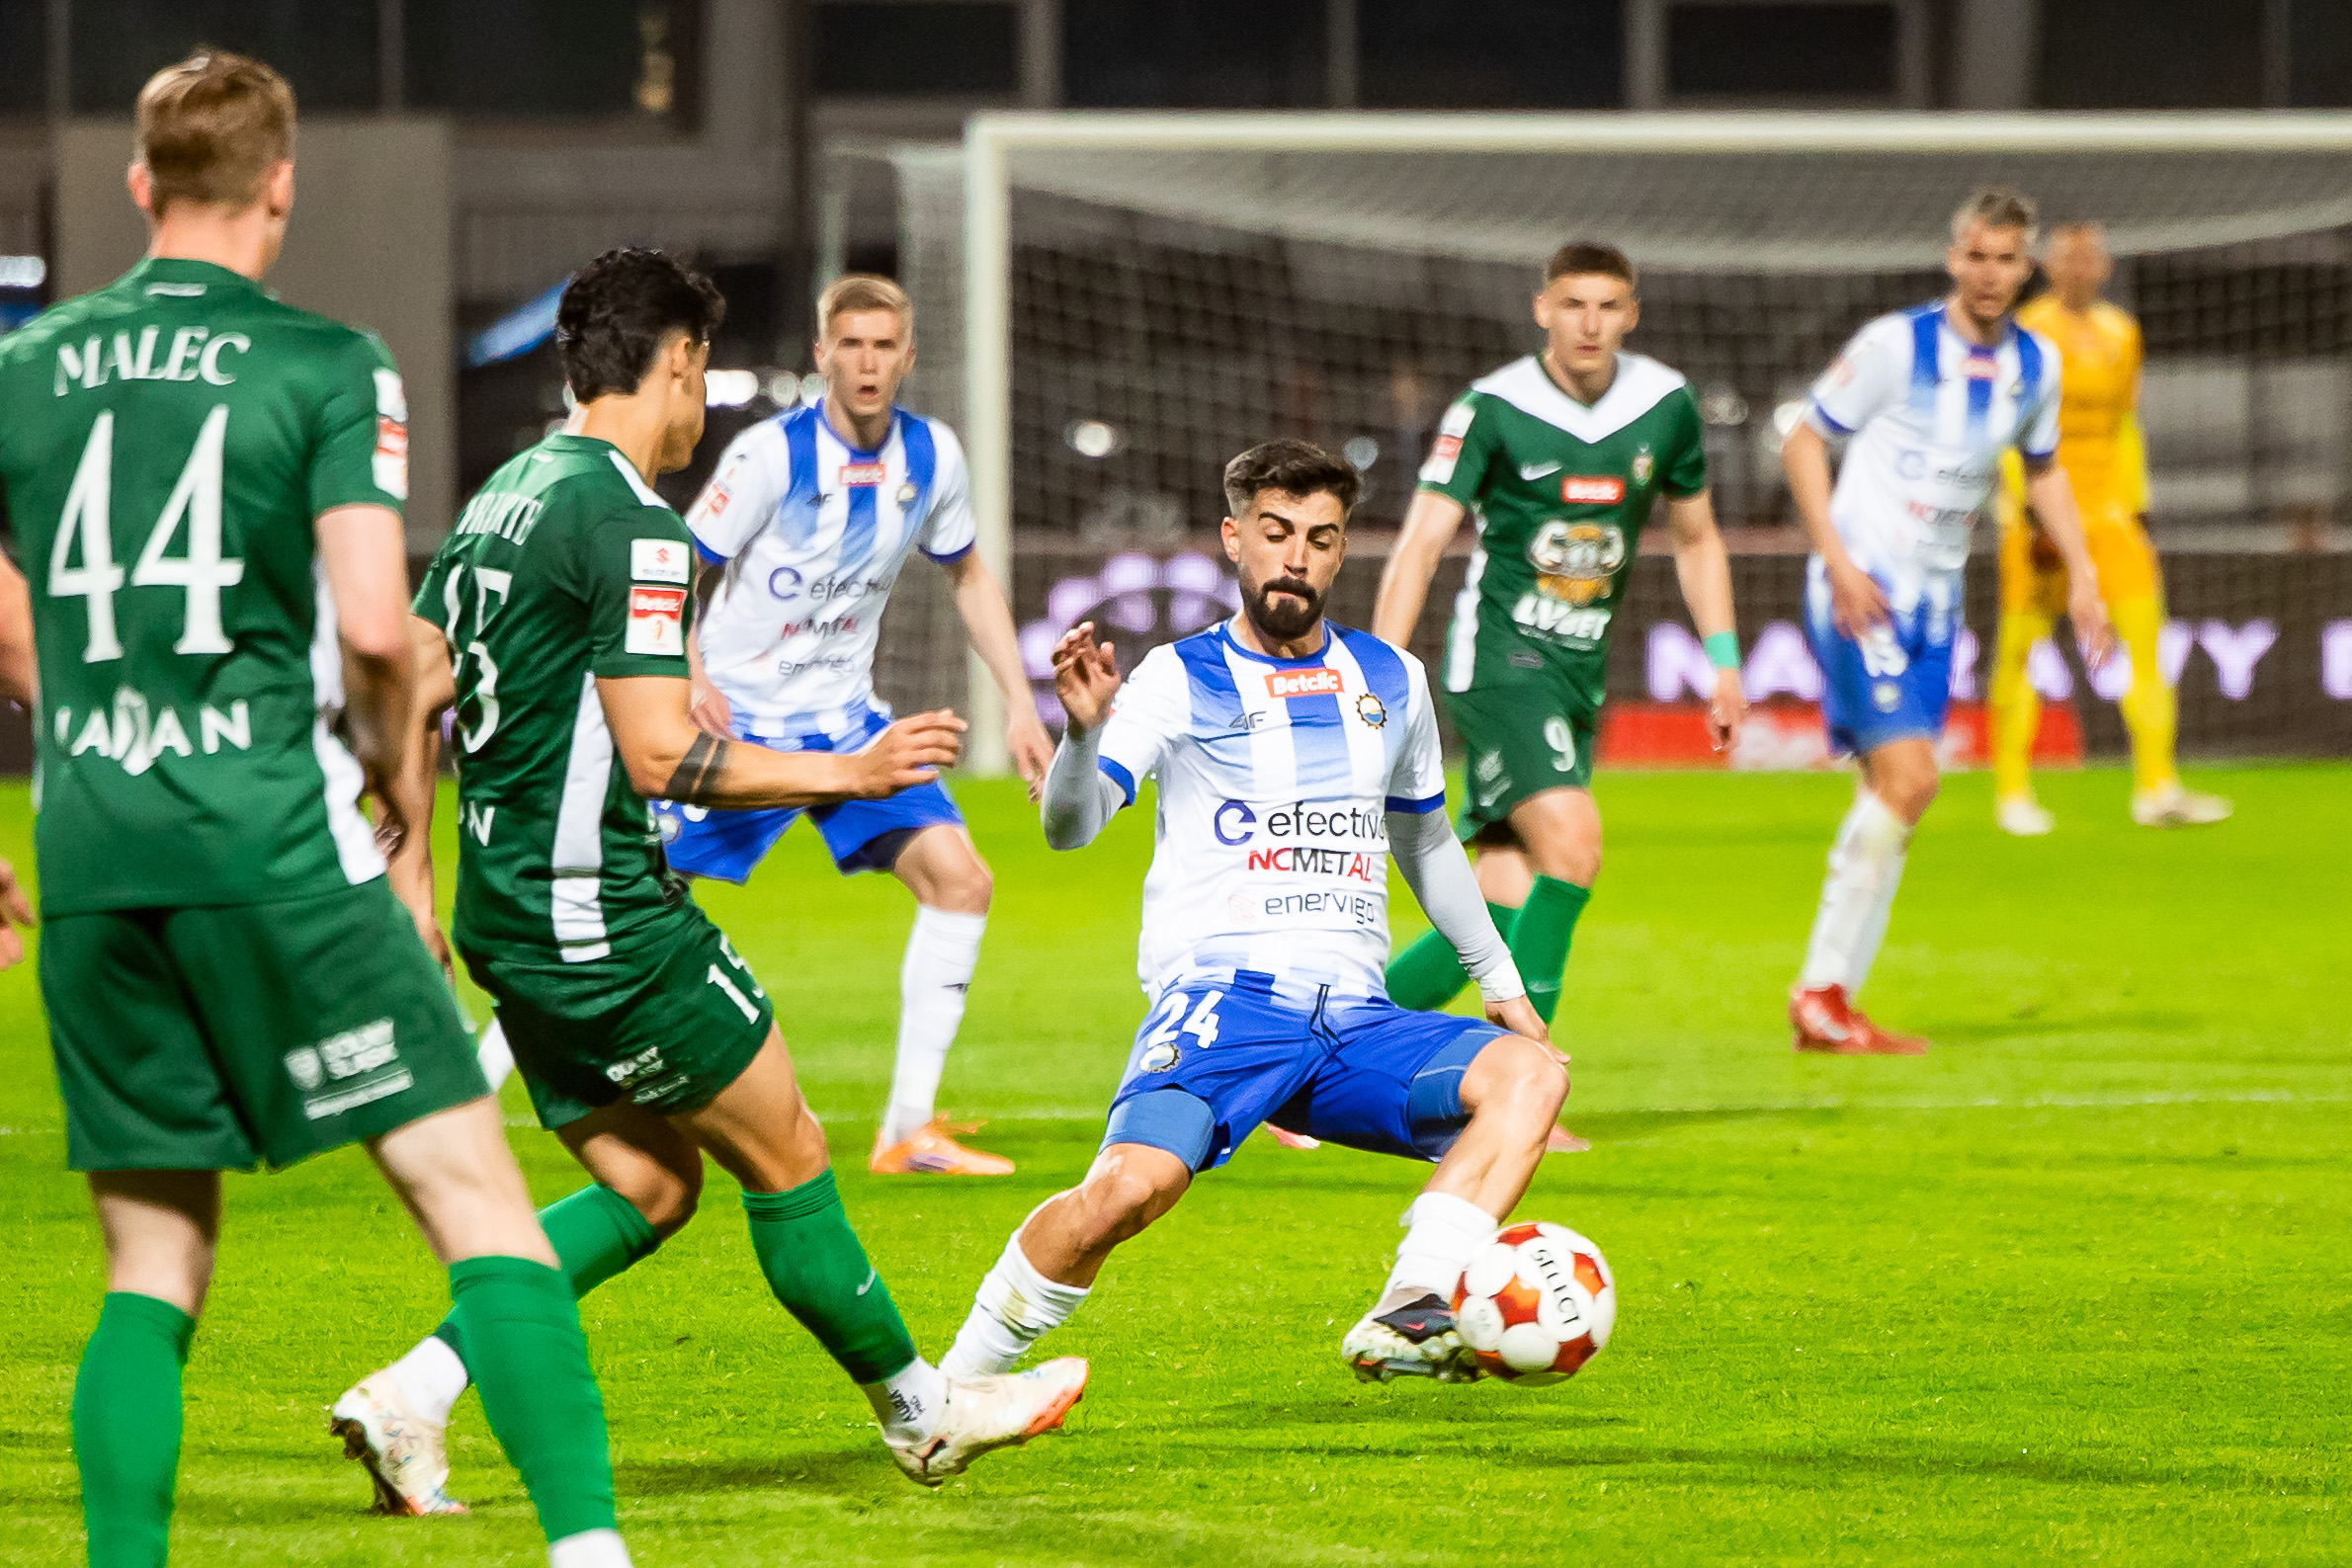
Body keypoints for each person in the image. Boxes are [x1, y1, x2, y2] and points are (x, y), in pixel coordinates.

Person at [0, 50, 632, 1567]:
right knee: (478, 1203)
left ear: (140, 184)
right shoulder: (325, 362)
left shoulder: (27, 366)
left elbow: (13, 627)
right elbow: (372, 628)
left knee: (151, 1264)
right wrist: (400, 787)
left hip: (92, 853)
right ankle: (591, 1553)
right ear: (281, 185)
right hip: (275, 839)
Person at [329, 248, 1085, 1514]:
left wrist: (407, 868)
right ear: (677, 362)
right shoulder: (630, 524)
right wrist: (849, 772)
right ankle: (924, 1411)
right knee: (788, 1152)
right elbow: (666, 757)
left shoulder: (513, 490)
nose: (703, 401)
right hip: (608, 919)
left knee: (649, 1186)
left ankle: (412, 1395)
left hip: (506, 915)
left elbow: (405, 674)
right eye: (702, 370)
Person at [934, 440, 1567, 1388]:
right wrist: (1083, 733)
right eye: (1276, 533)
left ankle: (1412, 1303)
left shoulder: (1392, 679)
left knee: (1531, 1076)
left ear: (1341, 551)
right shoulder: (1177, 675)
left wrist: (1501, 981)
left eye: (1320, 537)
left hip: (1355, 1020)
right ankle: (956, 1384)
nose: (1295, 557)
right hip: (1227, 1003)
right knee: (1125, 1193)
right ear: (1234, 539)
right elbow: (1072, 825)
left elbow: (1428, 841)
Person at [626, 272, 1048, 1177]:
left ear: (907, 357)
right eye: (849, 344)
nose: (866, 362)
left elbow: (969, 574)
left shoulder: (931, 455)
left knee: (960, 880)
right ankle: (482, 1078)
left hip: (850, 725)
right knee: (621, 889)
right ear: (822, 354)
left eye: (883, 346)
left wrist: (1021, 703)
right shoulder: (770, 456)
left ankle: (905, 1132)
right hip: (743, 724)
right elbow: (676, 566)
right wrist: (690, 672)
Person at [1373, 243, 1746, 1083]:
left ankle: (1317, 1053)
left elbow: (1697, 539)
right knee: (1574, 846)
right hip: (1501, 660)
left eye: (1608, 306)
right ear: (1542, 309)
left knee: (1498, 910)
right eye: (1573, 304)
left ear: (1632, 314)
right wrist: (1384, 670)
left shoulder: (1664, 405)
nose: (1590, 323)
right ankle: (1530, 1081)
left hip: (1579, 671)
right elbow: (1422, 541)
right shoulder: (1493, 407)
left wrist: (1724, 663)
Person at [1784, 188, 2115, 1055]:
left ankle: (1829, 1002)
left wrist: (2083, 574)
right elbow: (1803, 440)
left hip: (1938, 603)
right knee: (1912, 781)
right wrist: (1838, 562)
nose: (1990, 273)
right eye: (1976, 256)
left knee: (1891, 795)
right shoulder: (1896, 345)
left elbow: (2043, 469)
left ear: (2026, 266)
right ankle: (1820, 992)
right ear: (1952, 257)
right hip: (1865, 590)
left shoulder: (2036, 363)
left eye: (2006, 259)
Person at [1988, 221, 2229, 834]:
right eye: (2067, 258)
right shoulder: (2025, 333)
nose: (2078, 268)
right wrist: (2026, 511)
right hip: (2040, 517)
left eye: (2088, 258)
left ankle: (2157, 788)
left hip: (2108, 516)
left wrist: (2137, 504)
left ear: (2103, 267)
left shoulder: (2122, 332)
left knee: (2147, 648)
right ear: (2047, 267)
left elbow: (2126, 423)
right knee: (2021, 651)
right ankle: (2013, 795)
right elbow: (2003, 429)